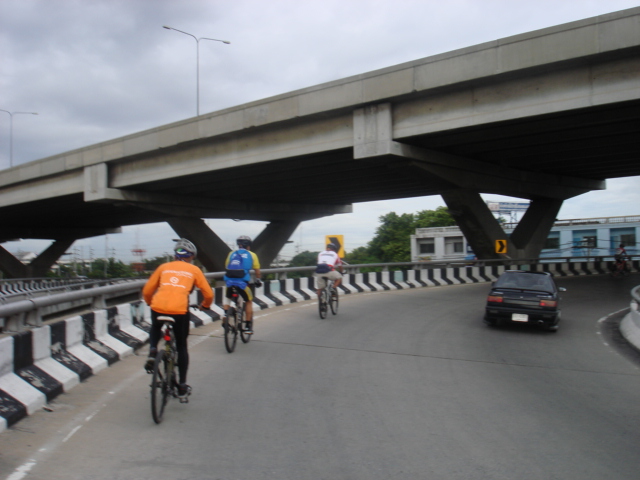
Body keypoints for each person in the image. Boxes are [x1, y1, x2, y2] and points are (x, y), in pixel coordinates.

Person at [142, 238, 213, 399]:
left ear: (175, 255)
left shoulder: (163, 267)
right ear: (191, 256)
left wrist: (150, 303)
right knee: (181, 346)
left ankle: (153, 352)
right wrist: (206, 306)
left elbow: (147, 290)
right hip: (180, 311)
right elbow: (208, 294)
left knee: (155, 327)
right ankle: (181, 386)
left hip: (158, 306)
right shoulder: (194, 270)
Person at [223, 235, 262, 334]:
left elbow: (227, 266)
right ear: (249, 245)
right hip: (242, 283)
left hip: (229, 282)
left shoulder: (231, 253)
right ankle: (248, 326)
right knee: (248, 301)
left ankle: (225, 317)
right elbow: (257, 271)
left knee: (228, 298)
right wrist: (258, 279)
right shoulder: (252, 255)